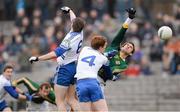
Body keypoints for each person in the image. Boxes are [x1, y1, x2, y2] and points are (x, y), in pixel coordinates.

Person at [29, 6, 85, 111]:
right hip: (74, 67)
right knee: (71, 99)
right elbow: (75, 19)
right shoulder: (80, 32)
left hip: (65, 69)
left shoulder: (69, 39)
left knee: (59, 101)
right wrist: (70, 11)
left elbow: (55, 54)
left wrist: (38, 58)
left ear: (72, 25)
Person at [98, 8, 136, 86]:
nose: (128, 46)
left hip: (99, 81)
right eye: (127, 44)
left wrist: (107, 57)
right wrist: (129, 19)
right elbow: (121, 33)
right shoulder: (114, 47)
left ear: (131, 54)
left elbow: (110, 71)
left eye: (130, 47)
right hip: (88, 73)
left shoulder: (123, 65)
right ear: (122, 46)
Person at [75, 36, 110, 111]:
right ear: (100, 47)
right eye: (104, 47)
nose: (105, 49)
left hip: (80, 84)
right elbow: (108, 72)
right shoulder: (104, 59)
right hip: (92, 83)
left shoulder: (85, 49)